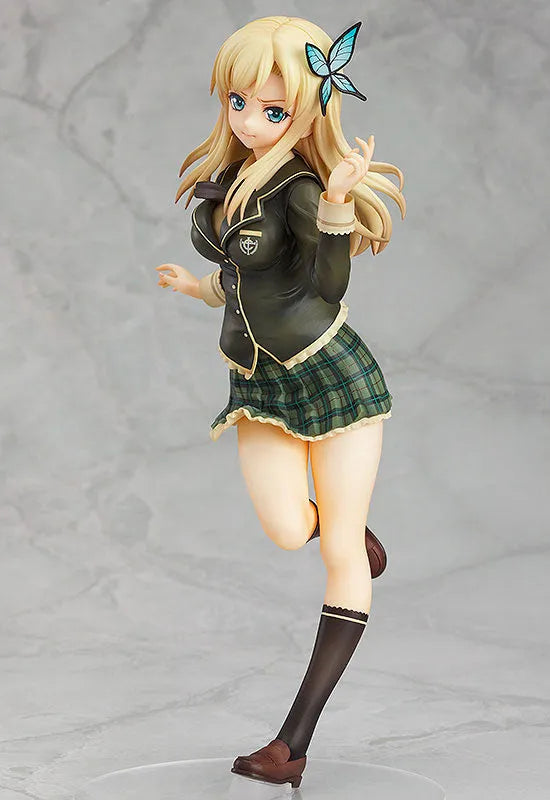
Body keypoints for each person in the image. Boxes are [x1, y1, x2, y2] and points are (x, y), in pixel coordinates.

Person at [155, 15, 406, 789]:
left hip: (330, 374)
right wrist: (197, 288)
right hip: (259, 381)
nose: (249, 120)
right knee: (286, 526)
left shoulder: (299, 189)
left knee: (336, 557)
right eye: (239, 102)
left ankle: (291, 744)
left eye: (271, 109)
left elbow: (324, 284)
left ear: (307, 111)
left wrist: (336, 204)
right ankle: (348, 526)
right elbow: (243, 276)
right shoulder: (232, 180)